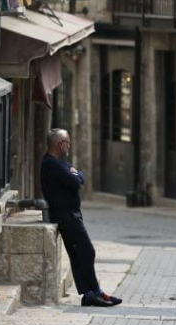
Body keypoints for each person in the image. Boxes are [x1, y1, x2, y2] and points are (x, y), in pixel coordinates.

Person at [40, 129, 121, 307]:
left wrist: (76, 174)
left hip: (71, 214)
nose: (69, 145)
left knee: (79, 254)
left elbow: (78, 175)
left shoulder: (60, 162)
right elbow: (77, 180)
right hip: (65, 215)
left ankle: (91, 293)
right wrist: (76, 174)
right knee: (86, 251)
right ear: (61, 144)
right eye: (67, 142)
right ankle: (93, 292)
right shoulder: (51, 164)